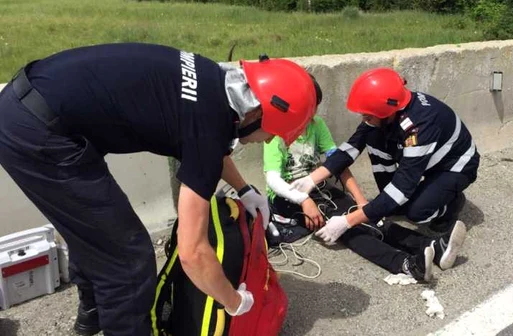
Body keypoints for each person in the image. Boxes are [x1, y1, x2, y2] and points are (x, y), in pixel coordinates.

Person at [0, 43, 317, 336]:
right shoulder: (209, 125)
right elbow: (192, 253)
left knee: (95, 227)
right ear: (257, 112)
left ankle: (96, 312)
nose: (269, 140)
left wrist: (245, 189)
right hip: (38, 133)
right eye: (272, 132)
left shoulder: (214, 81)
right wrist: (233, 301)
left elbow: (210, 144)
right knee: (128, 259)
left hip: (32, 102)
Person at [291, 67, 479, 273]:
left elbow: (401, 188)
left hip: (454, 166)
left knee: (416, 212)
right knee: (375, 149)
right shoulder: (388, 110)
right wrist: (313, 178)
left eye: (368, 115)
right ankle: (415, 207)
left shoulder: (419, 128)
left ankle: (450, 204)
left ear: (386, 112)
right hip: (428, 160)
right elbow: (350, 148)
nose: (364, 119)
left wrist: (347, 221)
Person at [265, 75, 441, 281]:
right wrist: (304, 200)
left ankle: (429, 244)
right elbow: (273, 180)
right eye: (307, 108)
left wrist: (360, 201)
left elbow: (338, 163)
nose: (311, 114)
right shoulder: (274, 133)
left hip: (320, 189)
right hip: (290, 198)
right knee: (349, 232)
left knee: (369, 218)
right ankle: (405, 264)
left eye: (314, 108)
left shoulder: (317, 124)